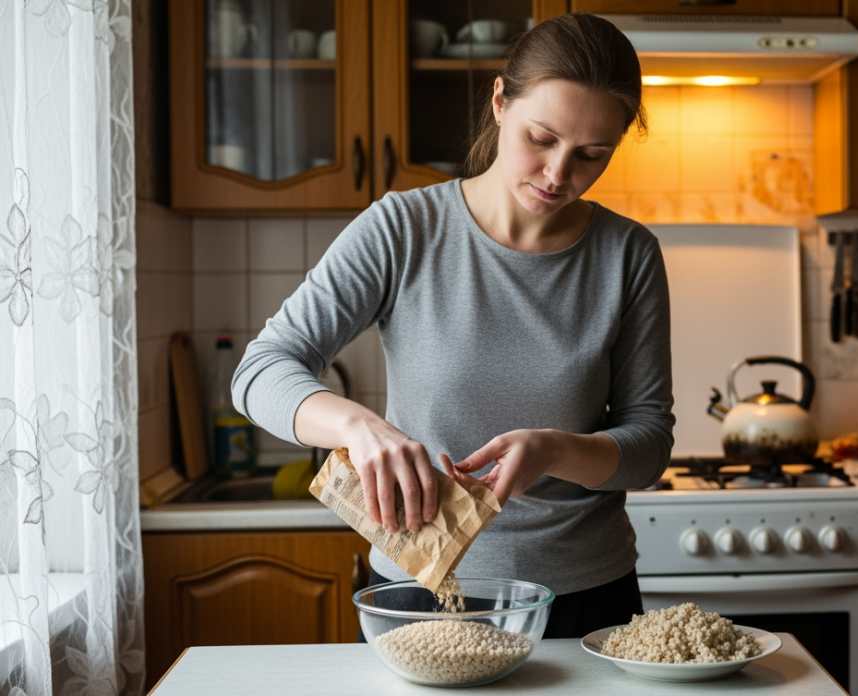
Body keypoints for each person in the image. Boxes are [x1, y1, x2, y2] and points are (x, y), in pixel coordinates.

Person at [232, 12, 673, 639]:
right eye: (541, 138)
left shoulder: (627, 256)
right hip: (418, 590)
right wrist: (359, 427)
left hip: (585, 600)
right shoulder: (403, 230)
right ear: (499, 101)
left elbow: (650, 448)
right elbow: (258, 373)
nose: (557, 174)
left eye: (591, 155)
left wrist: (555, 449)